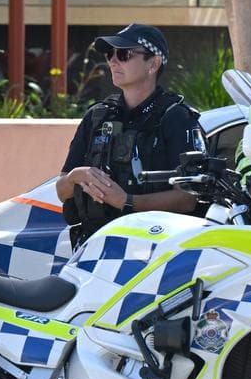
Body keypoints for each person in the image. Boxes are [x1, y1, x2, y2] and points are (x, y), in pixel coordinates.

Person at [57, 24, 205, 247]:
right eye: (110, 54)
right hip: (94, 246)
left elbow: (188, 198)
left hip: (154, 250)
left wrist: (126, 202)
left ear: (153, 63)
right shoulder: (97, 116)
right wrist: (77, 176)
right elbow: (61, 190)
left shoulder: (177, 118)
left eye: (124, 54)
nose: (113, 61)